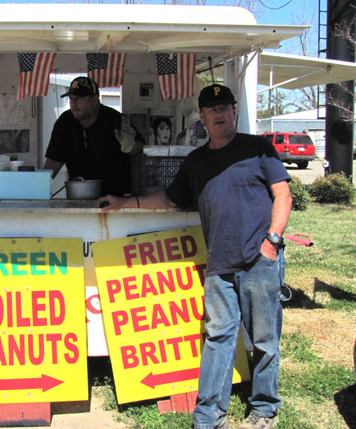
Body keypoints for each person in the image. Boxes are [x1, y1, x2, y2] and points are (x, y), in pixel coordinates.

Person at [95, 84, 292, 429]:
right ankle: (208, 417)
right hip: (219, 263)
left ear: (234, 111)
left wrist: (272, 241)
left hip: (259, 259)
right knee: (218, 338)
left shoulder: (258, 148)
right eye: (212, 110)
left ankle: (264, 408)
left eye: (225, 108)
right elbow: (170, 199)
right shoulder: (197, 161)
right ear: (202, 118)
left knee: (264, 341)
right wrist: (126, 202)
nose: (219, 114)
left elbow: (283, 195)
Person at [44, 76, 142, 196]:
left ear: (95, 100)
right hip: (78, 197)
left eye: (78, 98)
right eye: (70, 98)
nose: (73, 103)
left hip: (116, 198)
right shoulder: (65, 122)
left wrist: (132, 147)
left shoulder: (115, 120)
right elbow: (53, 162)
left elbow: (140, 150)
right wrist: (39, 189)